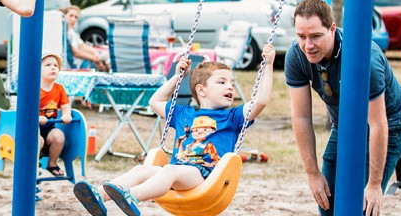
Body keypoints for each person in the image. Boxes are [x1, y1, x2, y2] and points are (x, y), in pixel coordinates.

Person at [73, 44, 275, 216]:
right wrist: (178, 77)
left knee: (169, 170)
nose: (230, 87)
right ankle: (99, 195)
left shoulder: (233, 117)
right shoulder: (183, 114)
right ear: (201, 90)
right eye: (221, 82)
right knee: (142, 169)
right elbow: (155, 101)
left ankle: (132, 196)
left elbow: (261, 101)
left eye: (232, 83)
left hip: (205, 175)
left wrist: (269, 66)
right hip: (178, 173)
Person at [285, 0, 401, 216]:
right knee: (327, 201)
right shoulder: (297, 55)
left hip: (389, 121)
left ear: (332, 29)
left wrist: (374, 185)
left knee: (361, 205)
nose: (308, 45)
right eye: (301, 37)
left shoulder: (363, 59)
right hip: (345, 122)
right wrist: (312, 173)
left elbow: (378, 124)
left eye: (315, 36)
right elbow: (301, 117)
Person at [37, 52, 72, 177]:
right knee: (38, 140)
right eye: (48, 65)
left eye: (55, 65)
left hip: (49, 127)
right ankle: (33, 165)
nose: (53, 67)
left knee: (59, 136)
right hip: (33, 128)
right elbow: (28, 109)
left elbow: (65, 106)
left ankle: (52, 163)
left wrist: (66, 115)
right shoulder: (35, 89)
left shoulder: (59, 89)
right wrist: (37, 117)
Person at [60, 5, 109, 72]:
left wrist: (95, 53)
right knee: (105, 60)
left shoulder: (71, 32)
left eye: (76, 17)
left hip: (82, 61)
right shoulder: (64, 33)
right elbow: (76, 53)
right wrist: (94, 58)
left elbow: (82, 45)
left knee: (106, 56)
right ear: (64, 16)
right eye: (71, 16)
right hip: (76, 65)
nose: (73, 19)